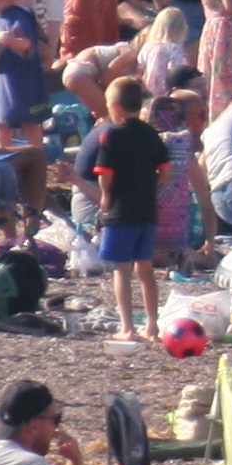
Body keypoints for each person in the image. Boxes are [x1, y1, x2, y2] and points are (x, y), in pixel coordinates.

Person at [83, 74, 171, 341]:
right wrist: (152, 186)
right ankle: (152, 327)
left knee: (121, 269)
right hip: (146, 209)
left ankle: (127, 327)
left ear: (116, 107)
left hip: (121, 211)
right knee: (144, 269)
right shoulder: (150, 134)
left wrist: (107, 195)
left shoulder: (111, 136)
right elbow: (165, 171)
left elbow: (105, 174)